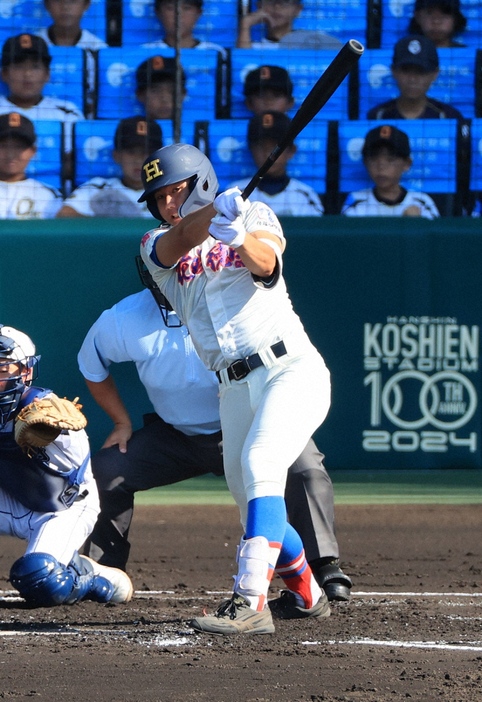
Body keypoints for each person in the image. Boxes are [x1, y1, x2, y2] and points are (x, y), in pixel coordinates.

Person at [138, 143, 333, 635]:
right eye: (157, 197)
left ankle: (249, 600)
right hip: (232, 386)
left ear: (200, 181)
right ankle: (308, 594)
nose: (166, 204)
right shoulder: (153, 246)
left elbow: (266, 264)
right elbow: (180, 235)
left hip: (289, 367)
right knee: (251, 497)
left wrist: (241, 234)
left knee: (262, 463)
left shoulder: (255, 211)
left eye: (175, 190)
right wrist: (212, 215)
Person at [78, 256, 351, 603]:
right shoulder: (124, 318)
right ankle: (105, 571)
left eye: (185, 266)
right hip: (176, 436)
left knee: (305, 468)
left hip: (252, 421)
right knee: (107, 468)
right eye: (168, 270)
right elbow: (91, 363)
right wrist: (121, 422)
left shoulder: (234, 306)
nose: (178, 277)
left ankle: (323, 568)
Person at [0, 324, 133, 607]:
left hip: (61, 507)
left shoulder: (48, 417)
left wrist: (46, 439)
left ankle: (92, 576)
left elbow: (70, 472)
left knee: (40, 579)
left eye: (1, 368)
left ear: (25, 372)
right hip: (8, 499)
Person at [56, 117, 163, 218]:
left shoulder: (171, 191)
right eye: (131, 152)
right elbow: (63, 215)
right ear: (116, 156)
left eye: (146, 153)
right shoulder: (96, 187)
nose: (139, 160)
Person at [228, 111, 324, 216]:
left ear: (291, 151)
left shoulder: (305, 195)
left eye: (275, 147)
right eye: (261, 146)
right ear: (251, 150)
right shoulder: (235, 193)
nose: (268, 153)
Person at [341, 124, 440, 218]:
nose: (381, 166)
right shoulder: (356, 201)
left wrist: (416, 224)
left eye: (390, 159)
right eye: (374, 158)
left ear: (407, 164)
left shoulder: (421, 202)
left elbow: (436, 235)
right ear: (365, 162)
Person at [367, 35, 465, 120]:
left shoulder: (448, 116)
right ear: (393, 71)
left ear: (435, 74)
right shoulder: (378, 116)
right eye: (406, 71)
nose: (412, 79)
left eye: (421, 72)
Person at [0, 33, 85, 122]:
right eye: (19, 67)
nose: (27, 74)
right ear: (4, 74)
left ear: (47, 74)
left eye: (35, 67)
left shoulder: (66, 114)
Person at [0, 111, 63, 219]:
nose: (11, 154)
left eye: (19, 147)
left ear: (33, 151)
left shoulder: (48, 195)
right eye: (4, 146)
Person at [237, 0, 343, 50]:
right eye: (270, 1)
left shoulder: (313, 42)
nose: (277, 7)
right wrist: (245, 25)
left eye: (285, 2)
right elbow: (243, 65)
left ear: (298, 9)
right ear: (259, 6)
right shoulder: (254, 47)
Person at [142, 0, 226, 57]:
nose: (179, 15)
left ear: (199, 13)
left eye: (187, 8)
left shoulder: (216, 53)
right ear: (158, 12)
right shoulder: (145, 52)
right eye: (170, 8)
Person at [37, 0, 107, 50]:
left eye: (72, 1)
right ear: (47, 4)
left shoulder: (98, 48)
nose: (65, 7)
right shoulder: (34, 45)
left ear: (86, 4)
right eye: (58, 0)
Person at [135, 56, 186, 121]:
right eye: (155, 91)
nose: (164, 99)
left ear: (183, 94)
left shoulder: (198, 129)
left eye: (172, 91)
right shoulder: (127, 130)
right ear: (140, 95)